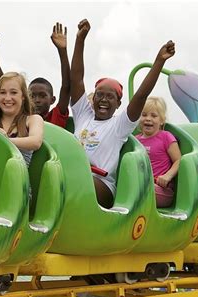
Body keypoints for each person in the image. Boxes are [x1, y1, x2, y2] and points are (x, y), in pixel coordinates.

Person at [70, 18, 175, 208]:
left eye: (110, 97)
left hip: (101, 185)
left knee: (76, 180)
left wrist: (159, 62)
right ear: (92, 99)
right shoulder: (83, 115)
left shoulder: (119, 126)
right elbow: (76, 80)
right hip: (73, 177)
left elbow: (141, 95)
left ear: (118, 103)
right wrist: (80, 40)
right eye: (99, 95)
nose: (103, 99)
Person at [0, 22, 70, 128]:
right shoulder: (22, 117)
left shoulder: (55, 116)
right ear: (25, 98)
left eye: (42, 96)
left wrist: (62, 50)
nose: (37, 100)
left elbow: (67, 87)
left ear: (52, 100)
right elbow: (4, 84)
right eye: (32, 96)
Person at [0, 72, 44, 167]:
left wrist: (5, 140)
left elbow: (36, 142)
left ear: (23, 96)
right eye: (3, 92)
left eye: (14, 92)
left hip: (16, 176)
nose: (7, 98)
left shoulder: (32, 119)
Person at [136, 97, 181, 207]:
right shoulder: (135, 140)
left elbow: (179, 160)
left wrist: (167, 176)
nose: (148, 119)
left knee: (140, 190)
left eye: (154, 116)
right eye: (144, 114)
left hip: (161, 190)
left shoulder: (166, 137)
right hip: (139, 185)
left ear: (162, 120)